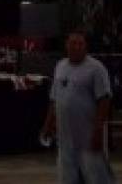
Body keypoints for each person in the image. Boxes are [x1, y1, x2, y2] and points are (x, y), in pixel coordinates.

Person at [40, 30, 115, 184]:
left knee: (96, 179)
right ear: (66, 45)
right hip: (65, 140)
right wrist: (48, 124)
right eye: (73, 43)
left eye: (80, 44)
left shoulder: (96, 68)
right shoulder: (60, 66)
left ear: (85, 46)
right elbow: (55, 98)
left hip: (88, 138)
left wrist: (98, 131)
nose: (77, 47)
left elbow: (104, 100)